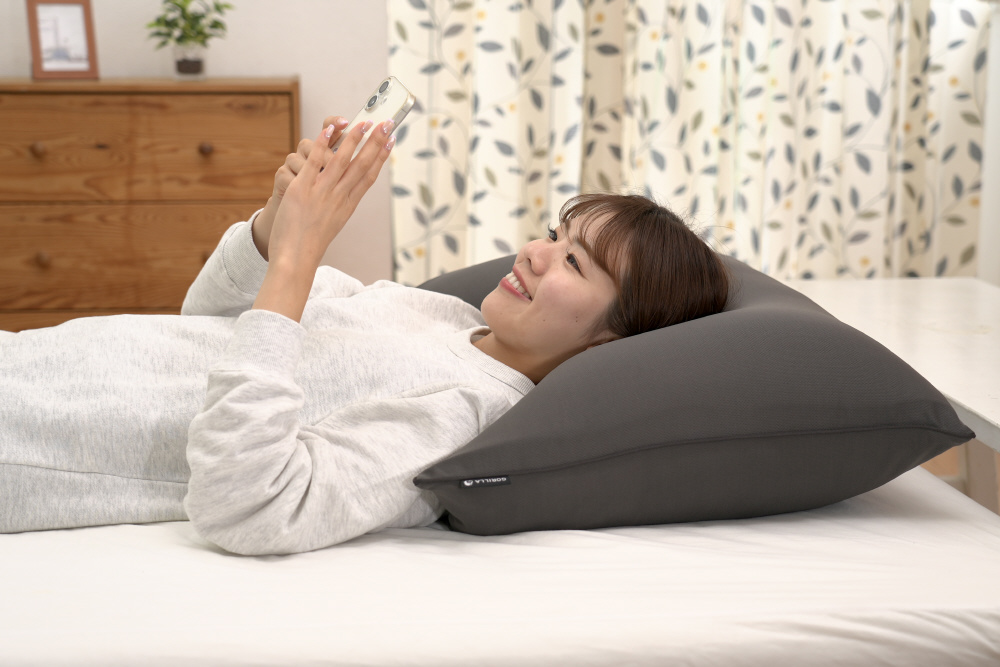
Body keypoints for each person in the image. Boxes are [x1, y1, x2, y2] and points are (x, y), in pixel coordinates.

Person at [0, 114, 729, 555]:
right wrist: (275, 224)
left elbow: (251, 506)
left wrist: (298, 257)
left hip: (27, 436)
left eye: (574, 261)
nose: (535, 253)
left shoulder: (465, 419)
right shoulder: (443, 315)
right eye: (552, 233)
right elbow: (215, 316)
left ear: (611, 342)